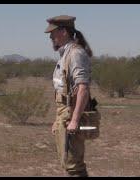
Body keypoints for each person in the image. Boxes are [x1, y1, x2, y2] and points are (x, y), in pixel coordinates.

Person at [44, 15, 93, 177]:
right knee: (68, 163)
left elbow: (83, 89)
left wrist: (75, 120)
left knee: (74, 166)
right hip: (64, 113)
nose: (50, 37)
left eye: (53, 32)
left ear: (64, 31)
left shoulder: (75, 54)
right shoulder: (65, 54)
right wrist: (58, 120)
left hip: (71, 114)